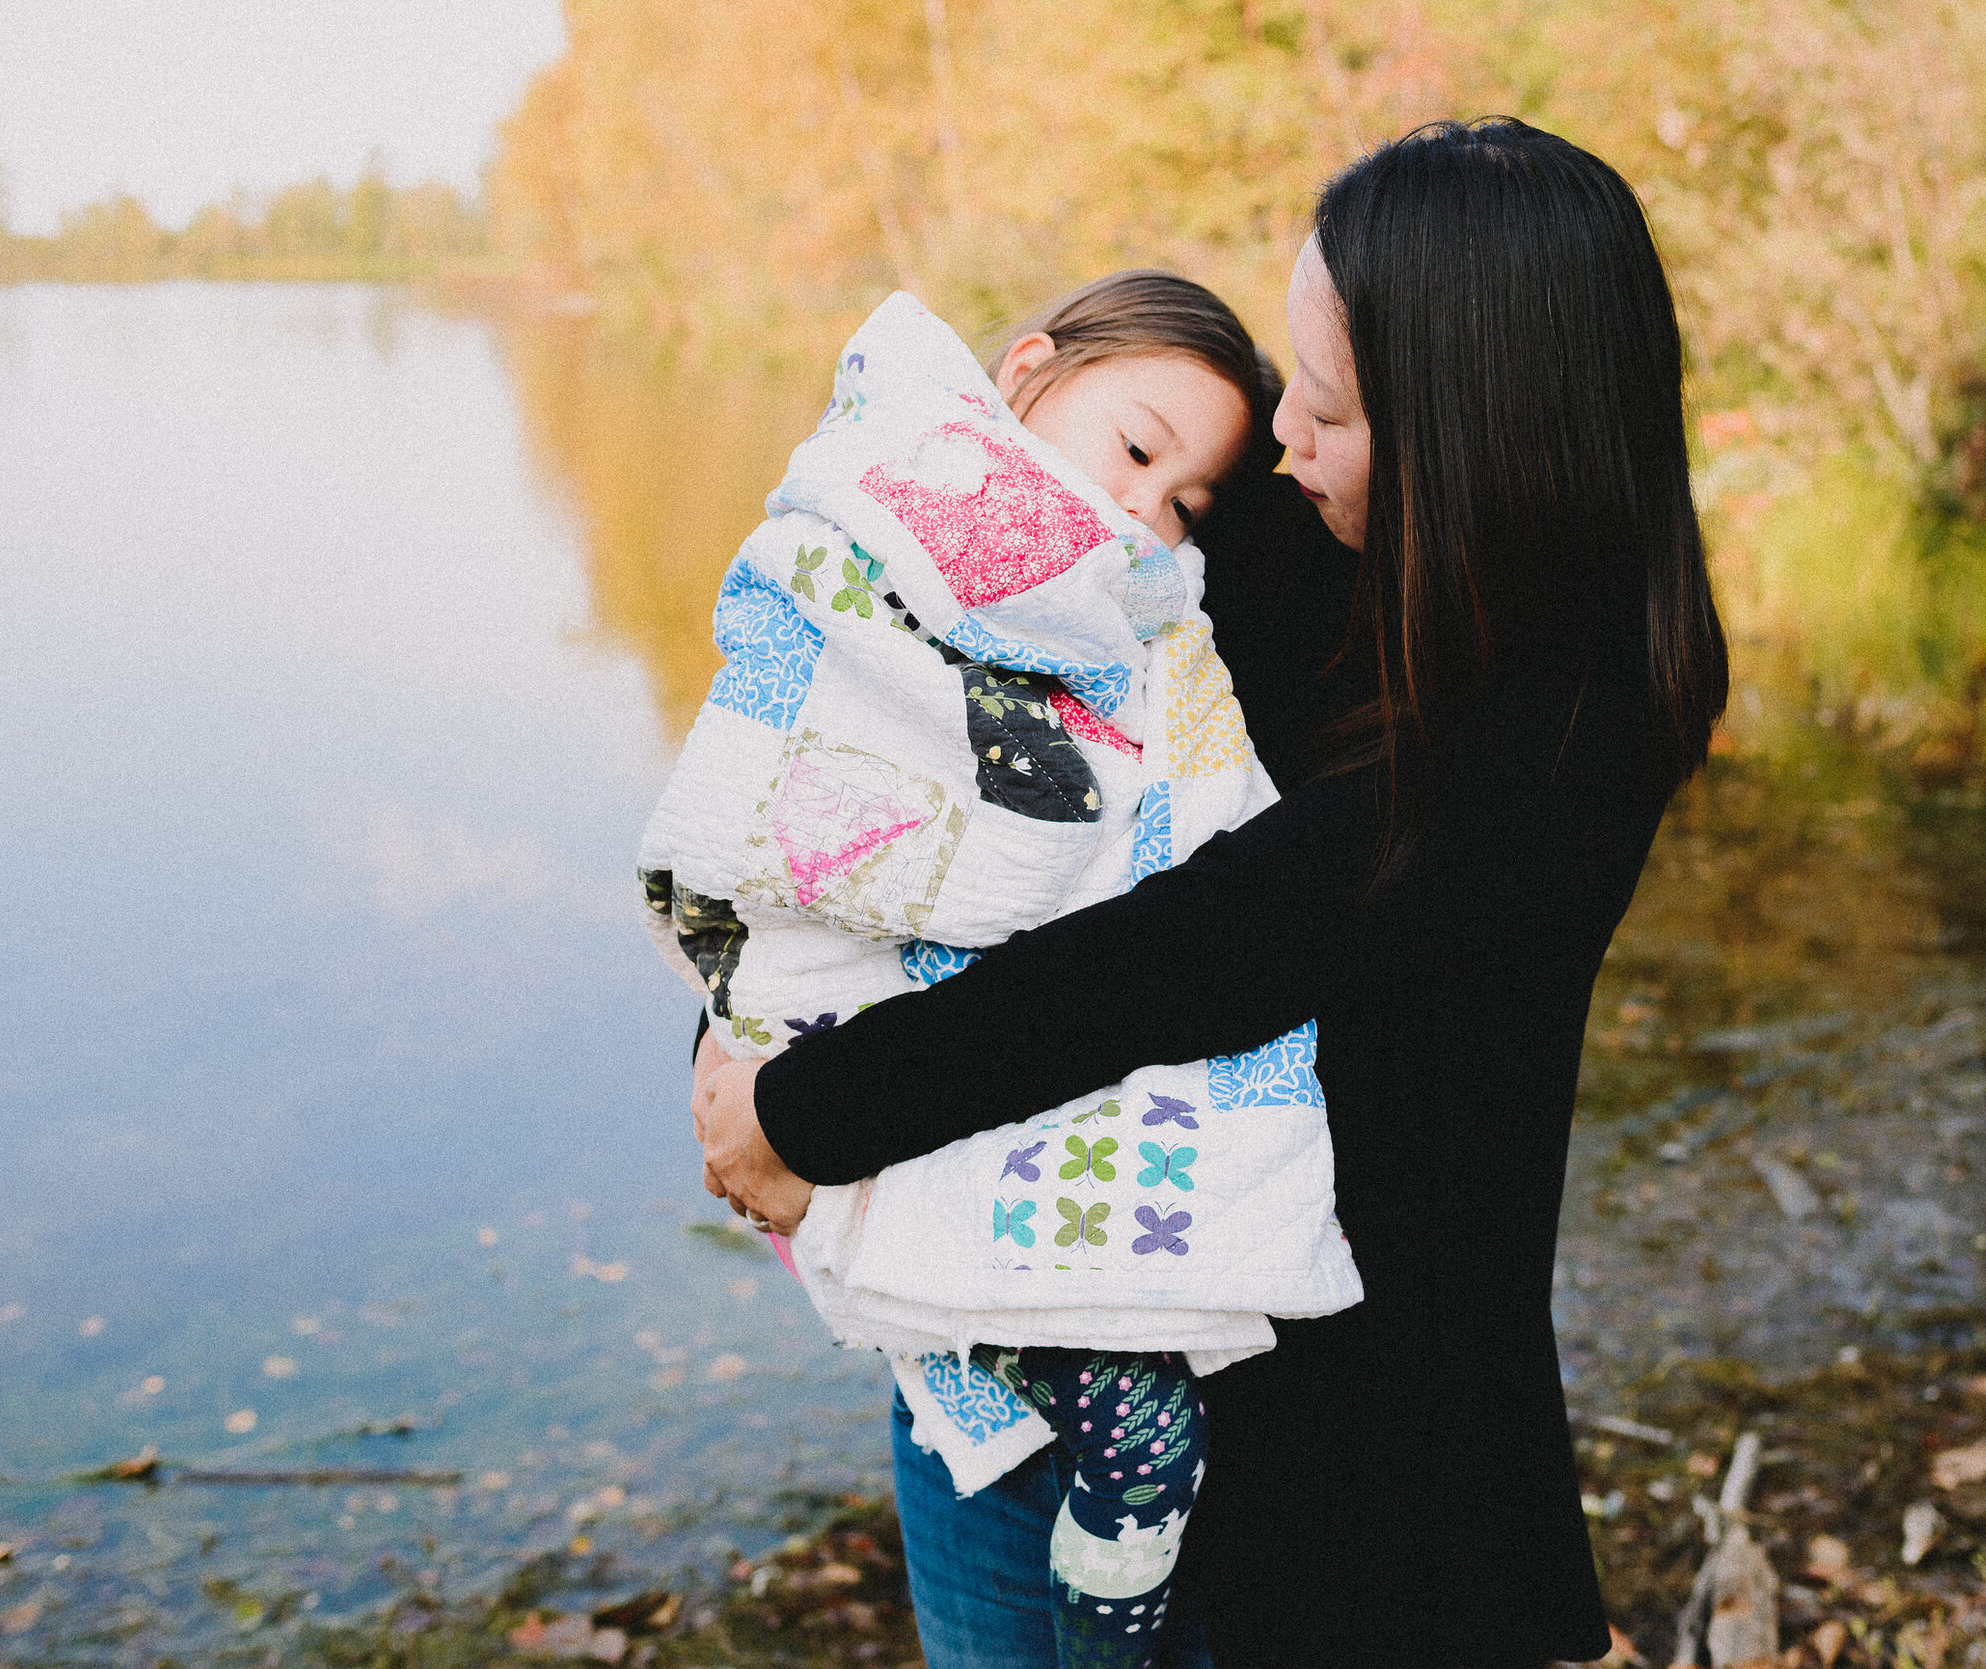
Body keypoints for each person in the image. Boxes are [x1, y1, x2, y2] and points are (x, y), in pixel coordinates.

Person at [698, 117, 1729, 1667]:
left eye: (1324, 410)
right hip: (1044, 1308)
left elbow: (1208, 947)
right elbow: (1011, 531)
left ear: (1476, 437)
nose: (1282, 452)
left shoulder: (1564, 726)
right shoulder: (1343, 543)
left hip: (1317, 1464)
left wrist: (810, 1112)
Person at [651, 270, 1360, 1668]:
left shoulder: (1177, 614)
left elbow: (1190, 894)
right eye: (1138, 452)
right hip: (894, 1116)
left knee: (1122, 1443)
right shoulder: (880, 528)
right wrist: (746, 1036)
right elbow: (790, 777)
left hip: (1044, 1172)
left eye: (1186, 502)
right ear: (1026, 371)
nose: (1147, 513)